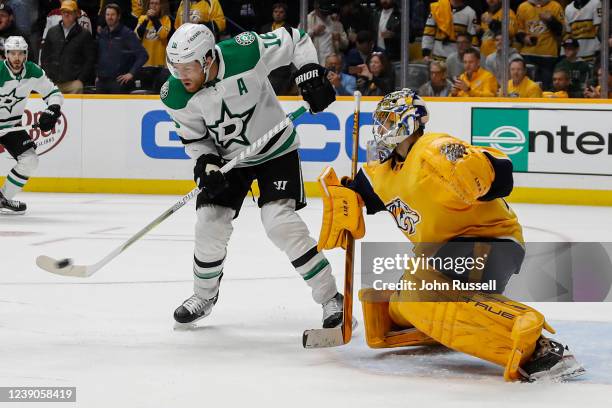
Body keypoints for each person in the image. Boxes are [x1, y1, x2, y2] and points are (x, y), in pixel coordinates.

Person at [316, 88, 586, 382]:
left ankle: (539, 349)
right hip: (446, 256)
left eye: (386, 121)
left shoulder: (434, 149)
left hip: (492, 245)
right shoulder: (383, 173)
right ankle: (438, 324)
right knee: (395, 308)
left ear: (405, 123)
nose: (379, 130)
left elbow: (502, 174)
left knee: (415, 297)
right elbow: (360, 193)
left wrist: (480, 172)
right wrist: (345, 200)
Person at [161, 24, 341, 327]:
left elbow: (296, 39)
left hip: (276, 150)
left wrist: (309, 72)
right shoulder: (175, 94)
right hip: (229, 161)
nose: (181, 75)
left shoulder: (245, 51)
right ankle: (204, 296)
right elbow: (195, 138)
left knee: (280, 224)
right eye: (175, 68)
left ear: (207, 59)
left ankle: (330, 297)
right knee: (209, 223)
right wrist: (206, 162)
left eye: (187, 67)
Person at [0, 36, 63, 214]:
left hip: (11, 126)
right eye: (13, 53)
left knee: (30, 161)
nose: (17, 58)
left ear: (26, 54)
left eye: (20, 53)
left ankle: (2, 198)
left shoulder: (33, 71)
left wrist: (52, 109)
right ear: (6, 54)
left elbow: (54, 93)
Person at [41, 1, 96, 94]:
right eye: (63, 11)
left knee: (75, 102)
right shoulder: (52, 32)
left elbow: (90, 60)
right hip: (53, 82)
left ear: (76, 14)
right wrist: (48, 75)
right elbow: (45, 56)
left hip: (73, 83)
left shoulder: (84, 34)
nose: (66, 14)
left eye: (69, 12)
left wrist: (81, 79)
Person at [96, 3, 148, 93]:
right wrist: (97, 75)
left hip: (118, 82)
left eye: (113, 15)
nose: (110, 17)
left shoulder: (127, 34)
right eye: (107, 14)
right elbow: (99, 56)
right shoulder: (103, 33)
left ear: (118, 16)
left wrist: (131, 73)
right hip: (101, 82)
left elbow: (143, 55)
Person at [516, 0, 565, 90]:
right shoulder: (523, 7)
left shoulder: (555, 6)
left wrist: (551, 20)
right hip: (528, 55)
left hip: (548, 55)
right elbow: (518, 31)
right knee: (527, 88)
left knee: (546, 88)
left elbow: (561, 32)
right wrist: (524, 38)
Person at [134, 0, 171, 92]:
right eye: (152, 3)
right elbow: (137, 35)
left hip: (160, 65)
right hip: (145, 65)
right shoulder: (142, 18)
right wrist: (147, 19)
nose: (154, 6)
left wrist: (154, 19)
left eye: (156, 3)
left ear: (161, 6)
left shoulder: (166, 19)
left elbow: (163, 35)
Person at [259, 2, 295, 95]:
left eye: (281, 12)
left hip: (282, 71)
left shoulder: (290, 29)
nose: (278, 14)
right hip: (266, 69)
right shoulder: (264, 28)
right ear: (272, 13)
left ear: (285, 14)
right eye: (276, 12)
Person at [305, 0, 348, 65]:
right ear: (316, 6)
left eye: (327, 11)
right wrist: (313, 32)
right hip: (314, 63)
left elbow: (345, 45)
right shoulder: (307, 19)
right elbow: (298, 40)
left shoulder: (335, 22)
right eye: (322, 12)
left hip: (332, 63)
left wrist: (339, 38)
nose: (325, 14)